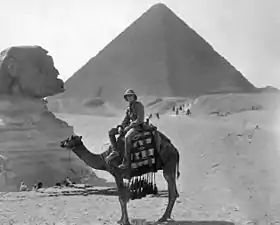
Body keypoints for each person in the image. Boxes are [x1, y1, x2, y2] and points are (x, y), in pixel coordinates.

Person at [106, 89, 145, 169]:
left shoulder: (139, 105)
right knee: (111, 132)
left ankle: (126, 162)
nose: (129, 97)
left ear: (134, 96)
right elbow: (126, 119)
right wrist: (121, 126)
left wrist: (129, 126)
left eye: (130, 95)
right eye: (127, 96)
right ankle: (115, 151)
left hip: (137, 127)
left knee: (127, 137)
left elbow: (140, 119)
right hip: (128, 127)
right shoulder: (129, 108)